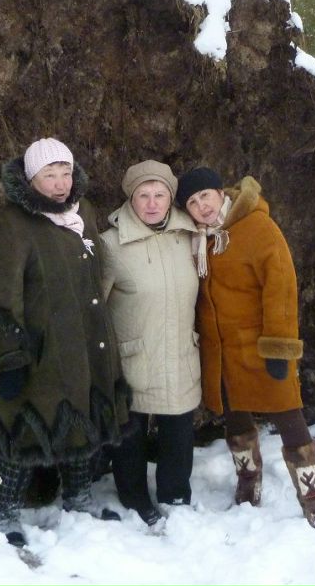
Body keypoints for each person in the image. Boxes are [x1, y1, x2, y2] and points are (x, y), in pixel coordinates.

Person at [0, 138, 128, 548]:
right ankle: (2, 511)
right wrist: (8, 356)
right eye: (49, 175)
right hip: (40, 348)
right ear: (31, 178)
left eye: (65, 173)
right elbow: (0, 294)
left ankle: (78, 498)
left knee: (82, 421)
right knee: (23, 433)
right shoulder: (14, 222)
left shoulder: (84, 212)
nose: (60, 184)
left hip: (86, 341)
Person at [176, 166, 315, 531]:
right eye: (192, 201)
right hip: (223, 352)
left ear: (221, 192)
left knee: (289, 419)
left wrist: (279, 348)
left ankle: (314, 499)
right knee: (235, 420)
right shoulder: (200, 239)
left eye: (205, 196)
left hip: (262, 348)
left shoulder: (257, 228)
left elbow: (281, 290)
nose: (201, 205)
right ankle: (249, 481)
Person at [100, 160, 201, 529]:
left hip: (180, 351)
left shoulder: (190, 235)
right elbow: (94, 303)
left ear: (171, 197)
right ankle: (134, 496)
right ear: (131, 198)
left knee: (178, 430)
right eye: (144, 195)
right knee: (131, 435)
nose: (153, 203)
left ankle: (175, 494)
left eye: (160, 194)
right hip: (134, 355)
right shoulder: (111, 244)